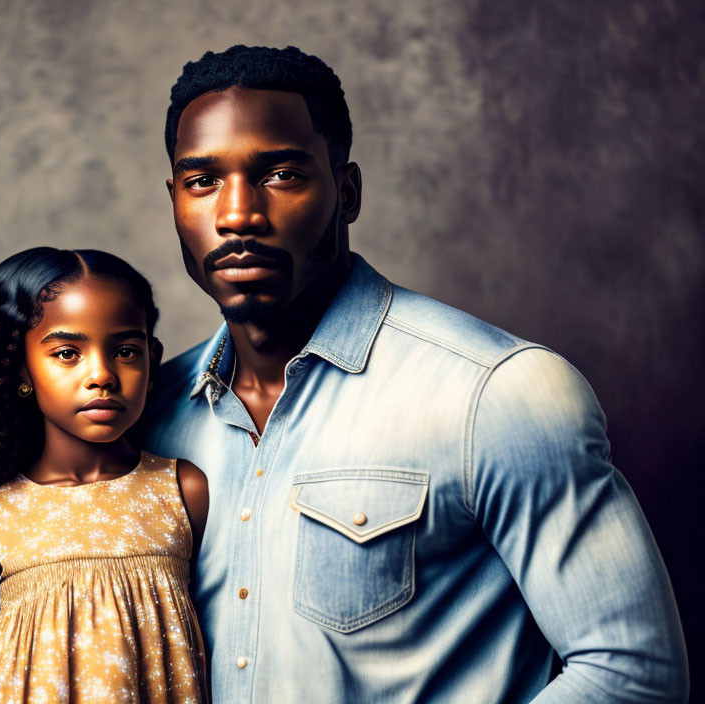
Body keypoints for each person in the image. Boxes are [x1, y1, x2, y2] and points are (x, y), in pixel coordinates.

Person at [139, 45, 689, 703]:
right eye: (202, 181)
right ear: (174, 200)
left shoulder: (496, 394)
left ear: (346, 193)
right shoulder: (148, 414)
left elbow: (634, 674)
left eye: (281, 174)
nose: (237, 215)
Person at [0, 248, 210, 704]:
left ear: (152, 361)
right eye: (67, 353)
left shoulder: (183, 493)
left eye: (126, 351)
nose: (101, 376)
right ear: (21, 368)